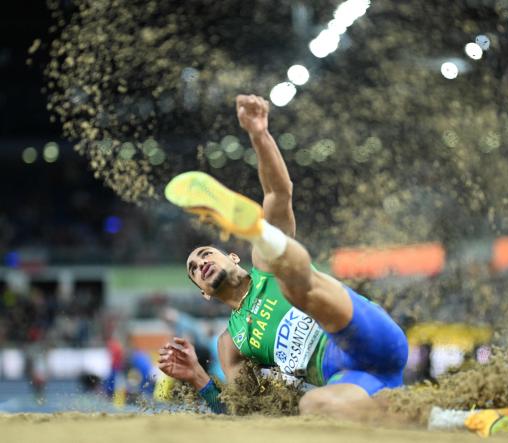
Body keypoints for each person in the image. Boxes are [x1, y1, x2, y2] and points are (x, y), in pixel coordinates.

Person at [158, 94, 409, 419]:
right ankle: (441, 417)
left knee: (289, 277)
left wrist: (259, 136)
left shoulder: (262, 267)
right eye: (194, 269)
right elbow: (243, 413)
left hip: (361, 334)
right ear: (204, 293)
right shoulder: (231, 344)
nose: (200, 263)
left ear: (233, 257)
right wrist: (198, 377)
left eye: (206, 253)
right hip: (352, 382)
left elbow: (279, 194)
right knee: (310, 406)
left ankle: (259, 232)